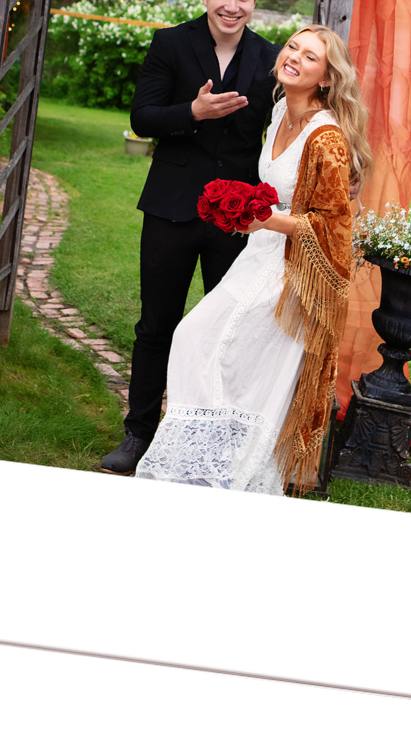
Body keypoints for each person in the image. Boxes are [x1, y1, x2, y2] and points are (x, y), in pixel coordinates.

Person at [135, 26, 372, 496]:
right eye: (292, 47)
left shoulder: (325, 138)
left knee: (204, 342)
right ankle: (214, 460)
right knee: (205, 344)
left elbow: (332, 227)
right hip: (257, 255)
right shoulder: (281, 109)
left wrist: (265, 218)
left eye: (310, 57)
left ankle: (232, 466)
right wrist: (245, 209)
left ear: (325, 78)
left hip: (291, 273)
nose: (295, 58)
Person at [99, 0, 282, 475]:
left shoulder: (269, 58)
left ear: (253, 1)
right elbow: (143, 115)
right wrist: (192, 112)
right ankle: (138, 436)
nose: (232, 5)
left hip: (237, 219)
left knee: (228, 331)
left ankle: (216, 442)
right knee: (157, 326)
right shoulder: (172, 43)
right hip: (171, 209)